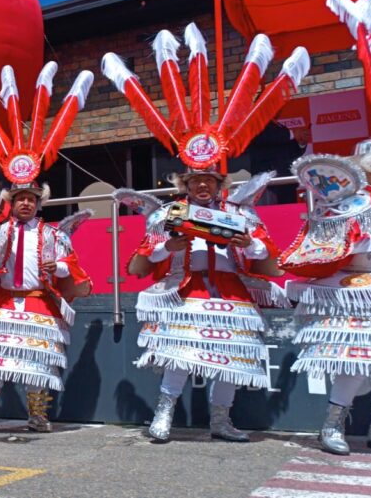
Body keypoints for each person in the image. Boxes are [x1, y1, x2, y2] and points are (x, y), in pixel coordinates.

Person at [103, 23, 309, 442]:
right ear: (184, 183)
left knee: (229, 358)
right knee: (179, 355)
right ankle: (163, 414)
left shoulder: (240, 213)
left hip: (231, 290)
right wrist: (168, 247)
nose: (202, 186)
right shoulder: (168, 214)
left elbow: (270, 261)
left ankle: (220, 420)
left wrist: (246, 242)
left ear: (220, 184)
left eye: (209, 181)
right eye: (195, 180)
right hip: (186, 287)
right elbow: (139, 264)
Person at [0, 63, 94, 433]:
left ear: (39, 202)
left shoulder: (54, 234)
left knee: (37, 361)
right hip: (1, 298)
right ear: (11, 200)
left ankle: (37, 415)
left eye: (31, 198)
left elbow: (70, 267)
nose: (25, 203)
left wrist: (58, 270)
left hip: (38, 300)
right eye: (20, 197)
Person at [285, 0, 371, 455]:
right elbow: (327, 245)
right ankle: (333, 425)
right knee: (356, 362)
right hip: (360, 290)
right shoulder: (354, 202)